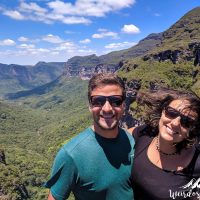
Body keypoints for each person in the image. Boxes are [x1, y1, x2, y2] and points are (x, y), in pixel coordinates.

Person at [45, 73, 135, 200]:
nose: (107, 108)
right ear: (90, 106)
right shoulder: (71, 155)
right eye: (98, 101)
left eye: (116, 101)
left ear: (124, 106)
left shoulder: (133, 141)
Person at [129, 88, 200, 200]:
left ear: (192, 129)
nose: (175, 123)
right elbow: (116, 137)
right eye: (171, 113)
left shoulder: (196, 161)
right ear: (163, 111)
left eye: (187, 122)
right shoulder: (144, 133)